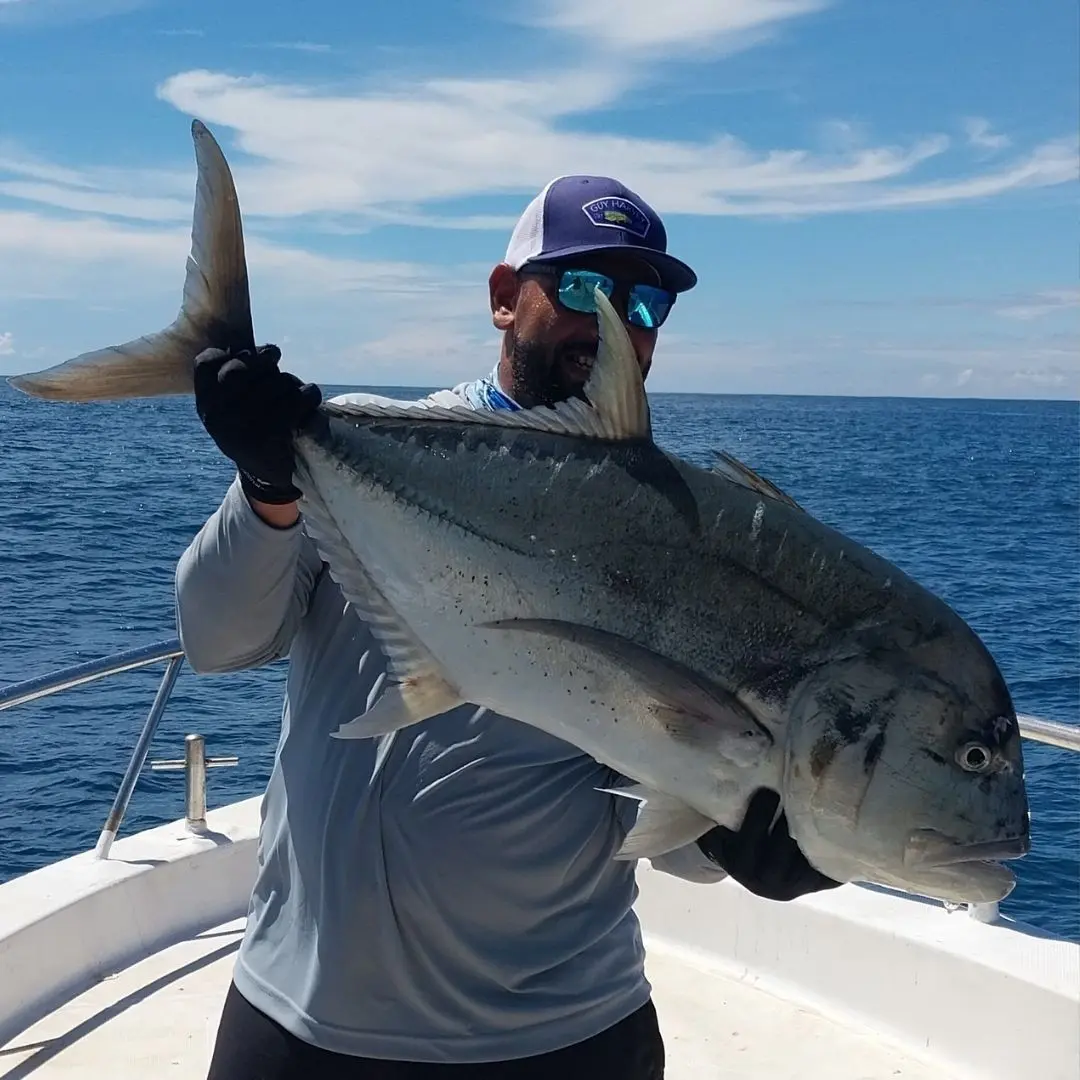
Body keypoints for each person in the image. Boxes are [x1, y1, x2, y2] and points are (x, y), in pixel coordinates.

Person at [178, 175, 840, 1080]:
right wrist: (266, 490)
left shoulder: (680, 534)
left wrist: (748, 822)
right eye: (582, 288)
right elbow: (217, 640)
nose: (615, 320)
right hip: (301, 1009)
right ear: (502, 297)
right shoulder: (368, 448)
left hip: (560, 1037)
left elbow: (663, 815)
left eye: (646, 301)